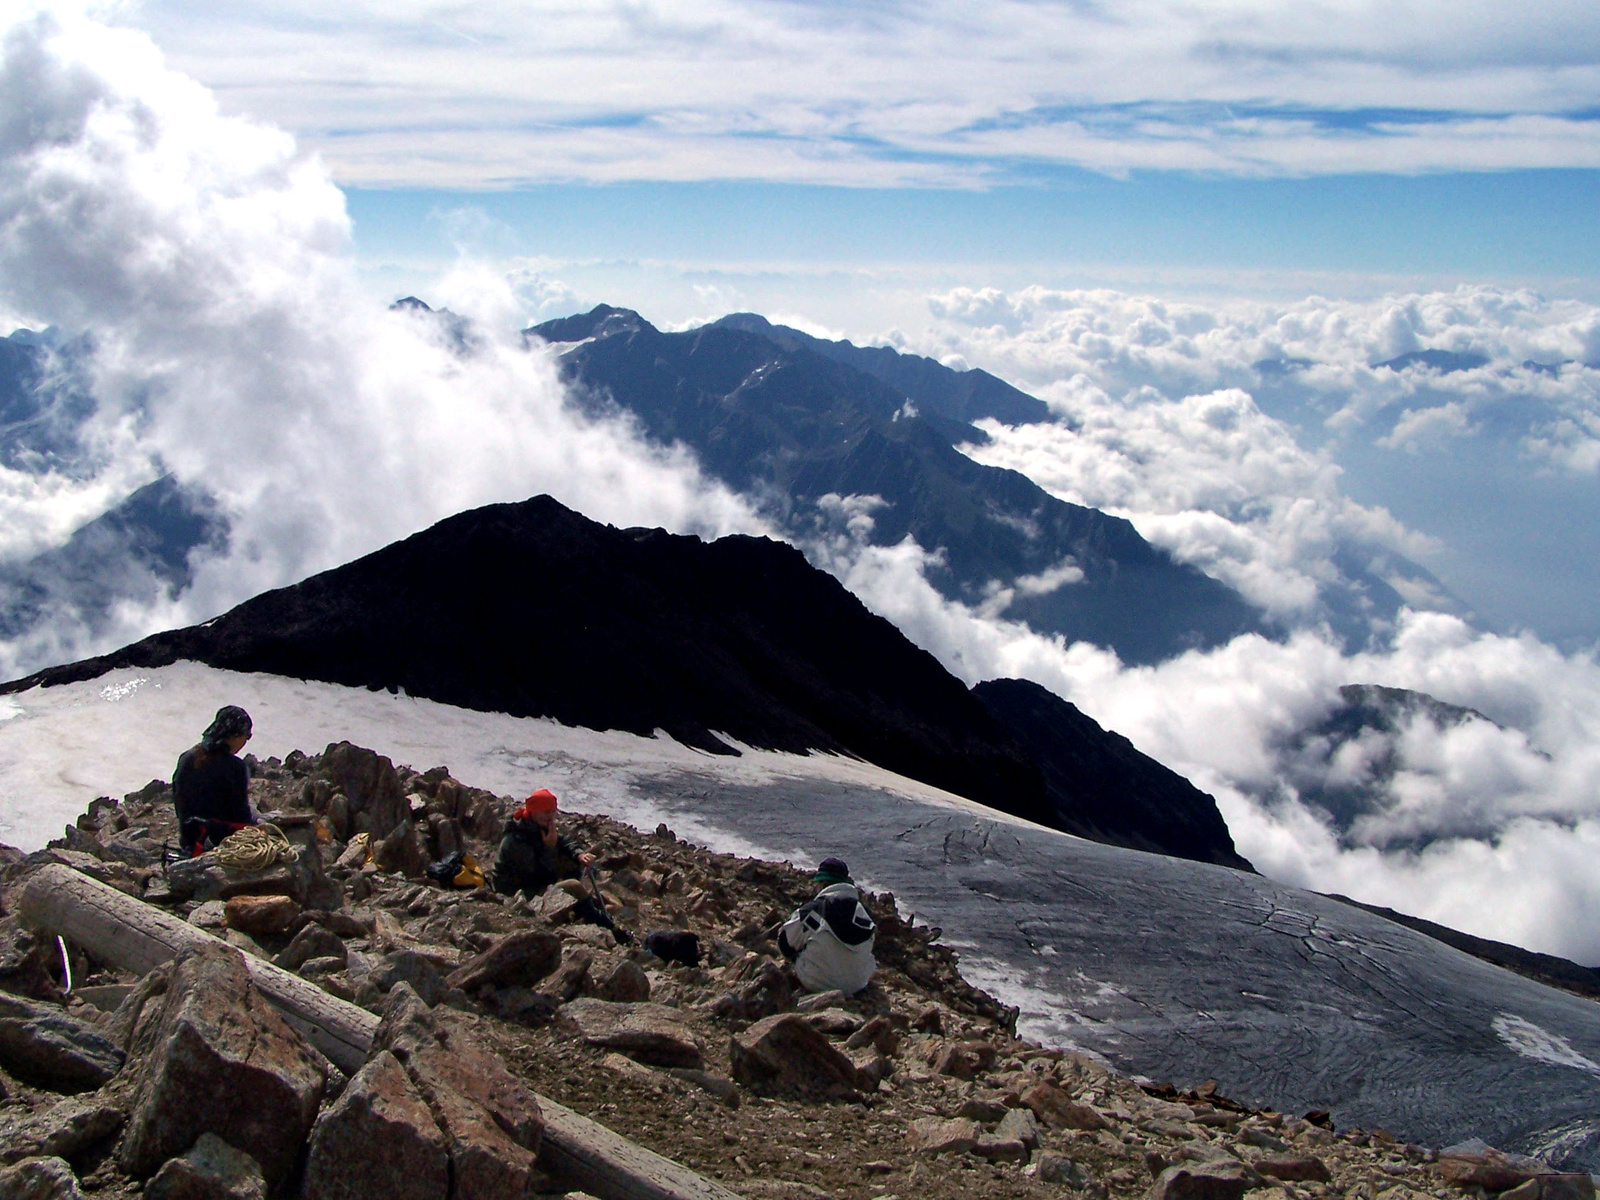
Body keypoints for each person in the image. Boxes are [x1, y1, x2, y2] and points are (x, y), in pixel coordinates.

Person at [778, 857, 877, 994]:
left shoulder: (815, 910)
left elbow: (785, 944)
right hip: (858, 984)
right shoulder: (865, 913)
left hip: (818, 982)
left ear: (823, 883)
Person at [172, 705, 256, 853]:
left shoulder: (188, 757)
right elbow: (241, 816)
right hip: (217, 841)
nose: (246, 741)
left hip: (189, 838)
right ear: (235, 735)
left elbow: (179, 804)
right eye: (247, 736)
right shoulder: (236, 767)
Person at [491, 788, 595, 898]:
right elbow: (539, 876)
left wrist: (579, 855)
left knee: (571, 860)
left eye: (552, 812)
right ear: (533, 812)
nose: (550, 817)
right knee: (574, 885)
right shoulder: (517, 837)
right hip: (515, 890)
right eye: (546, 812)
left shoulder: (538, 827)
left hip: (531, 883)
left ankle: (587, 904)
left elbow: (564, 841)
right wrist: (550, 848)